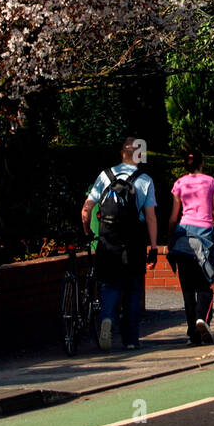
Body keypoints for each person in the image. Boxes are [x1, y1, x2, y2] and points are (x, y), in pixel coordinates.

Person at [82, 136, 158, 350]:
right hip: (134, 239)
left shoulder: (105, 176)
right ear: (138, 154)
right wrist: (153, 247)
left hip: (108, 239)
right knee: (133, 287)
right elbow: (151, 217)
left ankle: (106, 318)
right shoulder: (145, 180)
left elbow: (86, 210)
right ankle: (131, 339)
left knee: (110, 284)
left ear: (121, 153)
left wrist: (88, 233)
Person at [167, 151, 214, 346]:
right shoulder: (211, 182)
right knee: (205, 284)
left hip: (183, 237)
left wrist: (170, 239)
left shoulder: (180, 184)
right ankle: (202, 319)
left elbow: (174, 217)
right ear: (202, 163)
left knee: (187, 289)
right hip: (205, 237)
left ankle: (193, 333)